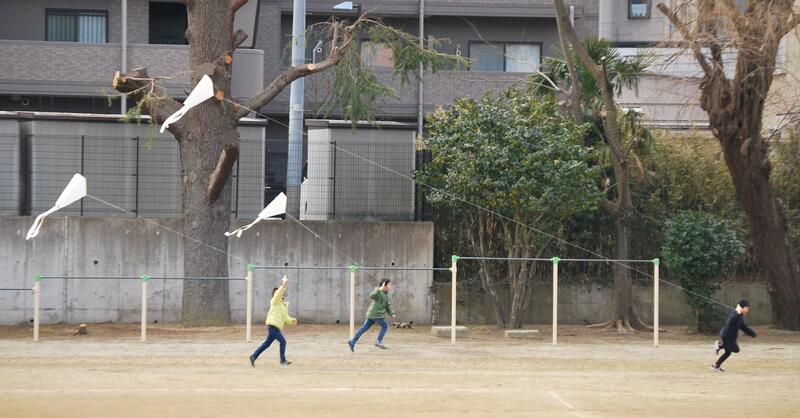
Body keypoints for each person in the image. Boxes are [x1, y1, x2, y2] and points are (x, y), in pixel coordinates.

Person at [250, 275, 297, 367]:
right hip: (272, 326)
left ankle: (253, 356)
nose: (278, 294)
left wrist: (292, 320)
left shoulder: (283, 306)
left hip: (276, 327)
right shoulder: (274, 302)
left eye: (279, 293)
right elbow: (278, 294)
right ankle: (283, 361)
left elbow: (285, 318)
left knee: (267, 344)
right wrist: (283, 286)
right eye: (276, 293)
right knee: (283, 341)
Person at [348, 279, 396, 351]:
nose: (390, 286)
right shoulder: (378, 292)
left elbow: (387, 306)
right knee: (385, 326)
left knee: (363, 328)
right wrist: (379, 289)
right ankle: (378, 341)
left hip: (372, 314)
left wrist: (392, 313)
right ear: (384, 286)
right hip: (376, 314)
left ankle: (352, 342)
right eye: (389, 285)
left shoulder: (386, 296)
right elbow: (372, 295)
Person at [711, 299, 756, 372]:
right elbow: (732, 319)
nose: (748, 310)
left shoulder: (740, 317)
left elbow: (744, 327)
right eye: (747, 308)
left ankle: (716, 365)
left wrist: (752, 334)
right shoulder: (735, 314)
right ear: (743, 307)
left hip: (729, 336)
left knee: (728, 352)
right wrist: (737, 312)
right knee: (736, 349)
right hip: (727, 336)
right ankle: (719, 345)